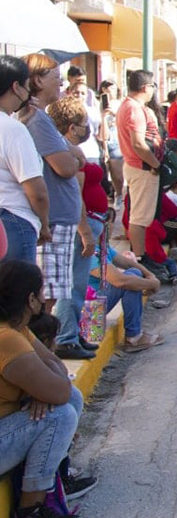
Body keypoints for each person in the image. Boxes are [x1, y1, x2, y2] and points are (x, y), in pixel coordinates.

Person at [0, 261, 84, 518]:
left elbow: (56, 367)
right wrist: (37, 390)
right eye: (41, 291)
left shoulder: (18, 329)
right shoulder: (7, 338)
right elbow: (57, 390)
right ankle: (29, 516)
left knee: (70, 397)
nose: (45, 296)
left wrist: (36, 390)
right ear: (30, 299)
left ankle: (59, 478)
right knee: (60, 414)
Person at [20, 56, 91, 333]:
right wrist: (74, 159)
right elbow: (65, 168)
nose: (62, 83)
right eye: (56, 77)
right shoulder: (38, 121)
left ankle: (63, 340)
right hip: (56, 220)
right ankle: (63, 341)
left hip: (66, 218)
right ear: (37, 81)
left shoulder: (41, 119)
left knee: (59, 291)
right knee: (48, 297)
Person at [45, 97, 105, 360]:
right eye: (82, 123)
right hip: (81, 226)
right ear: (70, 126)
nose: (86, 128)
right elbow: (75, 195)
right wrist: (86, 232)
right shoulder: (66, 154)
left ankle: (74, 333)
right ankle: (67, 337)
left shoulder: (67, 149)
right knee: (73, 284)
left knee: (77, 284)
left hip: (91, 222)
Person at [0, 56, 50, 266]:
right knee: (16, 294)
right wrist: (44, 224)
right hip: (14, 220)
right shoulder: (13, 130)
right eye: (27, 86)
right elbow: (36, 191)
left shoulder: (13, 126)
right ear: (16, 87)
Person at [115, 70, 163, 269]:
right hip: (142, 167)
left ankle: (141, 255)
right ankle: (140, 257)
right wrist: (155, 164)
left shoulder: (129, 106)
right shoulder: (134, 109)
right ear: (146, 87)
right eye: (152, 86)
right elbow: (138, 144)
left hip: (138, 166)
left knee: (140, 216)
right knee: (139, 217)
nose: (153, 90)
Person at [90, 245, 164, 351]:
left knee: (134, 272)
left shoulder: (99, 244)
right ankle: (134, 337)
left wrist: (151, 276)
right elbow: (120, 281)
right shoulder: (88, 251)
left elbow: (128, 263)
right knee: (130, 281)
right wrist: (152, 284)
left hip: (90, 314)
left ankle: (134, 335)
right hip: (88, 322)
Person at [98, 81, 124, 201]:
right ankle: (109, 194)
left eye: (114, 89)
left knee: (117, 174)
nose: (111, 92)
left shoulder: (120, 104)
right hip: (102, 136)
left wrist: (115, 115)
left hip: (116, 138)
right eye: (108, 90)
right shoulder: (98, 104)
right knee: (104, 172)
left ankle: (118, 194)